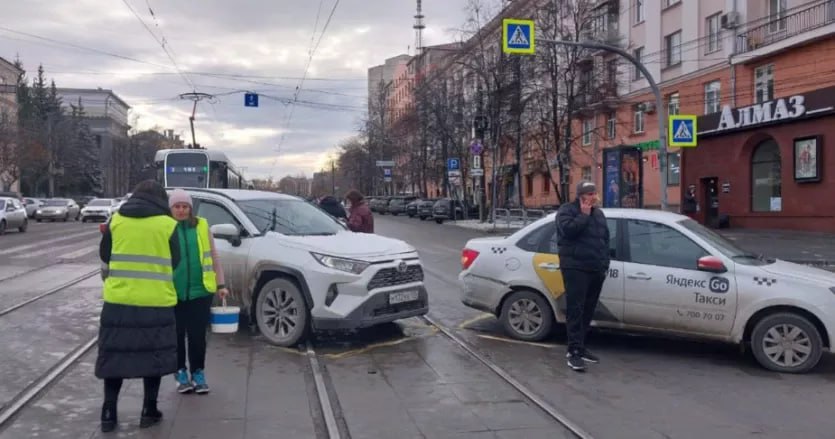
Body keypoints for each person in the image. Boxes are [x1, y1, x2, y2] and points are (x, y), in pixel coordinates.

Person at [96, 180, 180, 432]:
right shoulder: (168, 225)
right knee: (152, 358)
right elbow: (175, 260)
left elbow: (105, 254)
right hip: (155, 301)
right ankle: (148, 410)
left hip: (118, 301)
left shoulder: (116, 221)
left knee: (115, 357)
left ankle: (108, 413)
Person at [168, 189, 229, 395]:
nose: (182, 210)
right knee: (176, 336)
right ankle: (180, 372)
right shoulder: (165, 228)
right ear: (171, 209)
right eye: (177, 206)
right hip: (172, 293)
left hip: (200, 291)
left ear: (190, 209)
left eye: (185, 207)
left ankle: (198, 373)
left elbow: (214, 256)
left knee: (197, 336)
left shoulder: (202, 226)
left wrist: (221, 285)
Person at [556, 180, 610, 372]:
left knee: (588, 309)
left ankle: (581, 345)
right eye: (590, 193)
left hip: (596, 269)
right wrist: (583, 215)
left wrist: (604, 264)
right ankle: (573, 352)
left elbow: (604, 239)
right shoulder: (567, 211)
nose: (594, 196)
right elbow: (568, 231)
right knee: (575, 310)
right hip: (575, 268)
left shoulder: (599, 214)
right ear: (581, 196)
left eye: (595, 193)